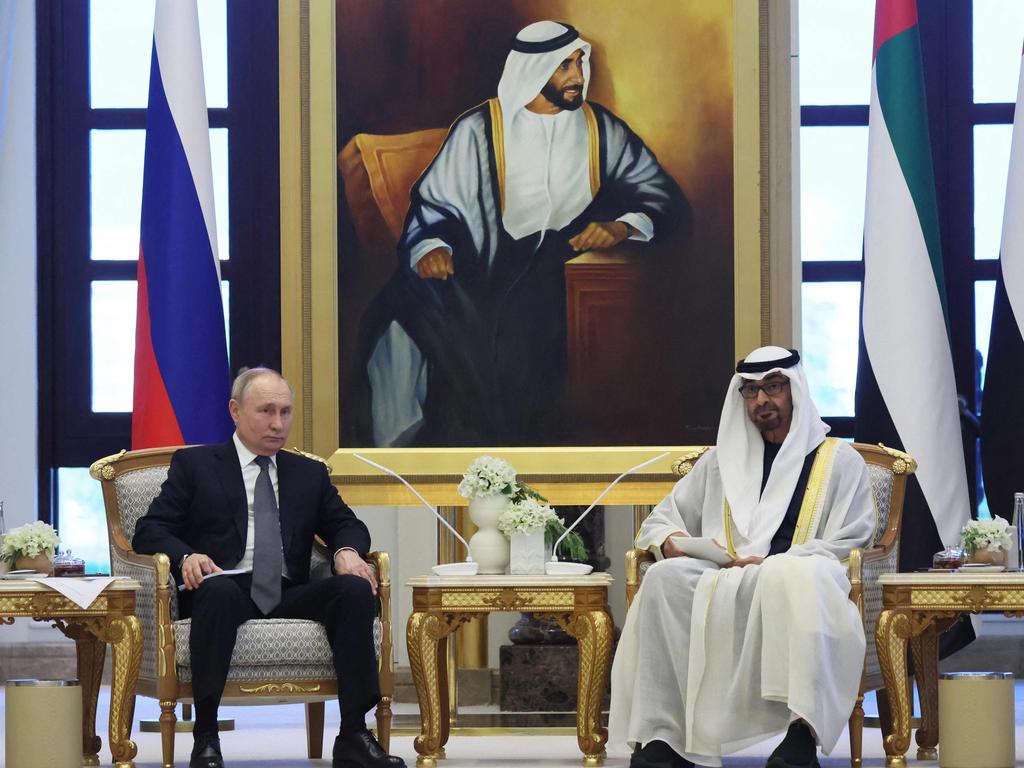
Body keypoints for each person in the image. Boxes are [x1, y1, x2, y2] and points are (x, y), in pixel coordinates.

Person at [358, 19, 686, 447]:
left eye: (579, 63)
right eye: (563, 66)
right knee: (401, 305)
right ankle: (424, 444)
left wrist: (622, 226)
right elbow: (434, 205)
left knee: (522, 335)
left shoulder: (600, 129)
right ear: (533, 70)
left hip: (553, 264)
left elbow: (659, 192)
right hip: (479, 260)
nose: (577, 77)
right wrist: (431, 245)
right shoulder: (479, 129)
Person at [609, 346, 875, 768]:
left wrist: (782, 562)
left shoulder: (838, 460)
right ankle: (666, 736)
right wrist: (673, 541)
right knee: (665, 579)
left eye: (773, 387)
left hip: (798, 572)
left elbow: (854, 535)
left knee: (798, 576)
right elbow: (660, 521)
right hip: (726, 575)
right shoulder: (719, 463)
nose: (762, 401)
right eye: (751, 392)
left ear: (795, 391)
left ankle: (800, 736)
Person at [132, 367, 404, 768]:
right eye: (266, 411)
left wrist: (346, 550)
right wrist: (186, 556)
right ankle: (206, 736)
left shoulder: (308, 473)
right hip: (224, 588)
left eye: (286, 412)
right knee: (218, 592)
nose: (278, 424)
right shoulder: (196, 465)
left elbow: (346, 523)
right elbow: (149, 530)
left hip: (288, 589)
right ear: (235, 410)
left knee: (352, 589)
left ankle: (353, 734)